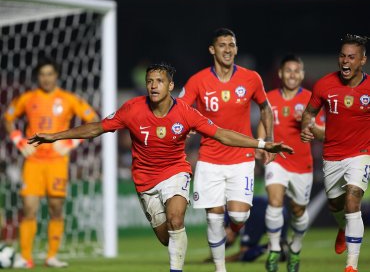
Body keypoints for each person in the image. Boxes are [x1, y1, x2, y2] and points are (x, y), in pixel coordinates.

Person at [28, 63, 293, 272]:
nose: (154, 86)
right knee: (167, 237)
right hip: (145, 180)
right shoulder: (132, 109)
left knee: (177, 218)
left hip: (176, 172)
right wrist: (56, 136)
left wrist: (262, 143)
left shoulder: (185, 113)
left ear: (171, 85)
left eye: (160, 81)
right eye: (150, 81)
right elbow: (97, 127)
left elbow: (221, 133)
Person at [178, 27, 274, 272]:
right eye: (222, 45)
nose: (228, 50)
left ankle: (233, 231)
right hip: (210, 157)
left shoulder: (251, 78)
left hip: (241, 158)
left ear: (236, 49)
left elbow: (265, 108)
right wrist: (184, 127)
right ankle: (221, 269)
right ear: (212, 49)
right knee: (214, 217)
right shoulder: (198, 81)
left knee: (239, 216)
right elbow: (180, 111)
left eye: (231, 45)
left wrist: (268, 139)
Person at [3, 58, 99, 268]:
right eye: (42, 74)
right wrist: (19, 141)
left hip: (57, 162)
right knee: (29, 208)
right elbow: (8, 118)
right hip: (33, 161)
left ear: (57, 76)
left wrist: (71, 143)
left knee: (56, 208)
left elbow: (93, 119)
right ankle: (26, 258)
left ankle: (51, 256)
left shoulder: (68, 99)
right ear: (38, 77)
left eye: (50, 74)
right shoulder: (27, 98)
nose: (46, 78)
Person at [301, 34, 370, 272]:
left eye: (352, 57)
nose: (345, 61)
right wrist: (307, 128)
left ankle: (351, 265)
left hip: (361, 153)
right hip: (332, 156)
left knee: (353, 199)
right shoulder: (324, 85)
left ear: (362, 60)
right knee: (336, 205)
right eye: (342, 55)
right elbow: (309, 113)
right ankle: (343, 227)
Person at [257, 55, 325, 272]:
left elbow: (321, 133)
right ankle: (275, 249)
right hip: (276, 159)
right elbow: (263, 123)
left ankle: (295, 246)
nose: (293, 74)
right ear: (280, 74)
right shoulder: (269, 98)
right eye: (288, 70)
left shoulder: (311, 100)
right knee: (275, 201)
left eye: (297, 71)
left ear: (302, 75)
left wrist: (308, 125)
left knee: (298, 211)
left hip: (302, 164)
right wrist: (261, 145)